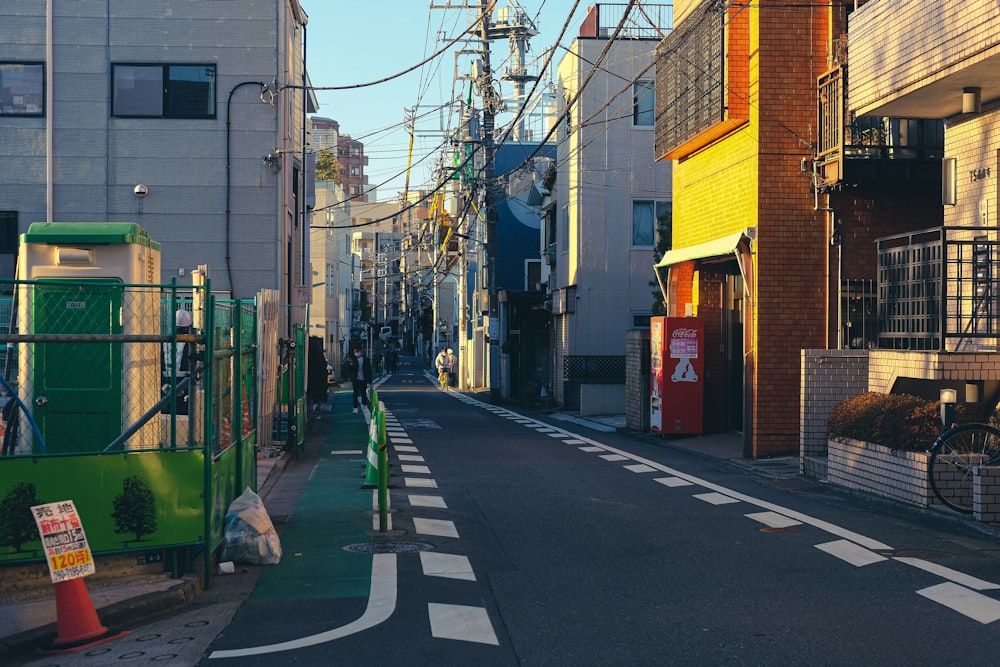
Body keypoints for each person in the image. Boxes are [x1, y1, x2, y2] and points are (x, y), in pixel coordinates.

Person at [161, 309, 197, 415]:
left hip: (165, 380)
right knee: (183, 412)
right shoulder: (190, 344)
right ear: (187, 327)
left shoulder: (164, 341)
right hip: (183, 382)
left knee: (166, 410)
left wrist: (163, 383)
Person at [347, 346, 372, 414]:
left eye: (357, 351)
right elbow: (350, 369)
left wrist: (370, 381)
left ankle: (364, 405)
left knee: (363, 392)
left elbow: (368, 370)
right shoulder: (352, 360)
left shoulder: (366, 360)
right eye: (355, 352)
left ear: (361, 352)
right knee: (355, 393)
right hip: (356, 379)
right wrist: (351, 377)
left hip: (363, 379)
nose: (356, 353)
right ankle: (355, 407)